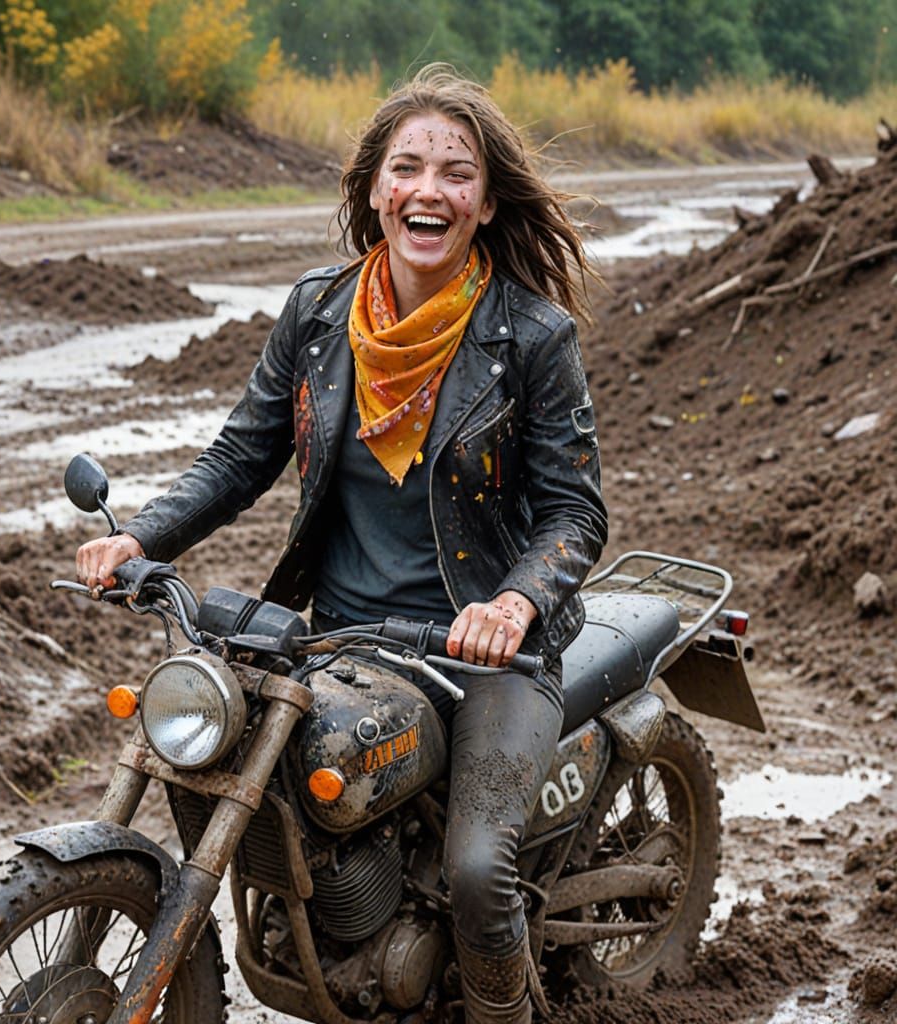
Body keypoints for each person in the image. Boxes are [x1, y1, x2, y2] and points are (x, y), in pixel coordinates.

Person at [77, 63, 606, 1024]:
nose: (430, 189)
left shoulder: (532, 335)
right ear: (375, 190)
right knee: (234, 759)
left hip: (485, 657)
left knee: (482, 872)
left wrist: (513, 605)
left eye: (456, 173)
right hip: (345, 639)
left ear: (485, 204)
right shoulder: (322, 313)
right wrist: (141, 537)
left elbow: (575, 515)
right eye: (409, 167)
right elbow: (240, 458)